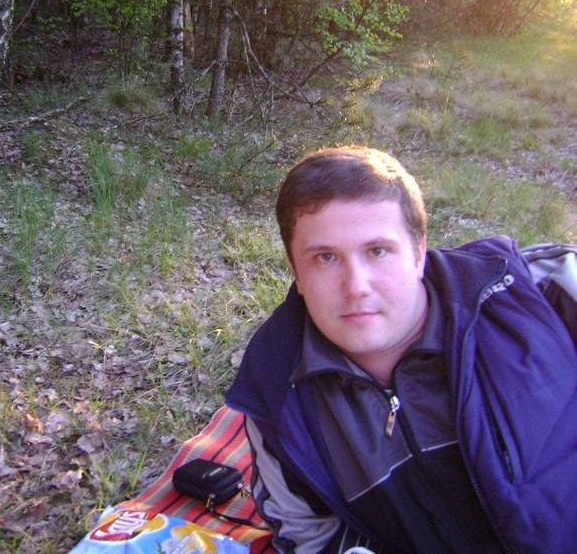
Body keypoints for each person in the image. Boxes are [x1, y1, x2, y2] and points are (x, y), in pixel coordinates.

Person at [225, 146, 577, 554]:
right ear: (296, 273)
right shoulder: (276, 397)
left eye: (377, 251)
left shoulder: (540, 289)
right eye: (325, 257)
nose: (357, 286)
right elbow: (312, 537)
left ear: (419, 252)